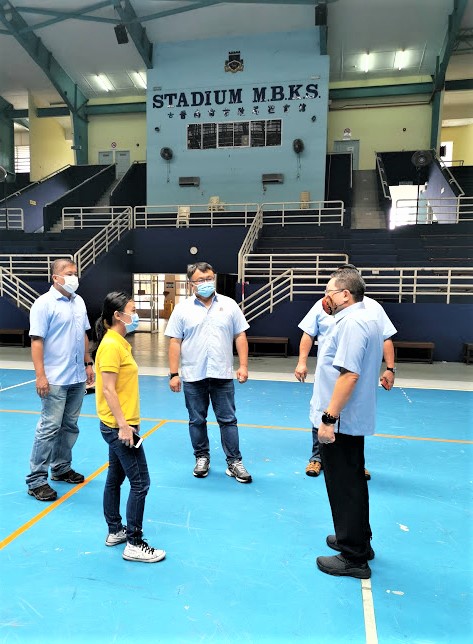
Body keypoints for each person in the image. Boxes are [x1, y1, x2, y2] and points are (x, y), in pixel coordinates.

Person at [311, 267, 384, 579]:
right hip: (351, 419)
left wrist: (328, 418)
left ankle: (353, 557)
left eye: (329, 291)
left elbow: (349, 375)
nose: (325, 297)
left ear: (344, 294)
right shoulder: (365, 318)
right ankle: (357, 540)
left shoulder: (352, 323)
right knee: (352, 481)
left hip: (341, 421)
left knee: (343, 486)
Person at [295, 264, 396, 480]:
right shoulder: (323, 306)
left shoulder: (370, 310)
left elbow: (386, 338)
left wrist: (390, 368)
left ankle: (355, 464)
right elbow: (308, 333)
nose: (327, 295)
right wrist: (302, 362)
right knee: (322, 415)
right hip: (329, 374)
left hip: (351, 376)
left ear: (347, 290)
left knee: (347, 425)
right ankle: (318, 457)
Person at [93, 291, 166, 563]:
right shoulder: (111, 345)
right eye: (132, 310)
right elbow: (108, 390)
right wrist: (124, 426)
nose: (136, 314)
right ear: (118, 315)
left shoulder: (119, 343)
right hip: (118, 427)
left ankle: (115, 530)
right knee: (141, 483)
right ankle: (134, 543)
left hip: (119, 423)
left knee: (115, 478)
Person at [165, 261, 252, 483]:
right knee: (196, 420)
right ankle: (201, 457)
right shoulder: (182, 309)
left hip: (222, 374)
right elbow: (175, 341)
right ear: (191, 283)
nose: (206, 283)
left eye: (209, 278)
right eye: (201, 280)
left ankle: (234, 462)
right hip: (193, 376)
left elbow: (240, 335)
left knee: (228, 420)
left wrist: (243, 365)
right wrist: (173, 374)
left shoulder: (230, 305)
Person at [26, 258, 94, 501]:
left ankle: (61, 467)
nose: (74, 277)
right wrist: (40, 376)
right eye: (69, 273)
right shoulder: (43, 304)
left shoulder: (79, 301)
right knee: (49, 427)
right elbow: (37, 341)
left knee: (70, 425)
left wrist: (88, 363)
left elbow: (83, 334)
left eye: (76, 272)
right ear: (56, 277)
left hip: (76, 376)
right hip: (54, 378)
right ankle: (36, 480)